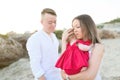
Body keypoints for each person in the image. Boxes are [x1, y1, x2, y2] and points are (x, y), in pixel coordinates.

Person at [61, 14, 104, 80]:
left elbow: (89, 76)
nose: (75, 30)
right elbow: (63, 68)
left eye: (77, 27)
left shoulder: (97, 47)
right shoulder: (73, 46)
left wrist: (67, 77)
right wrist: (64, 41)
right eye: (73, 28)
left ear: (87, 27)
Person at [26, 8, 62, 80]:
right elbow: (35, 63)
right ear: (42, 22)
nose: (53, 25)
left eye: (55, 22)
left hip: (57, 76)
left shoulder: (54, 37)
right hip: (45, 77)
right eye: (50, 22)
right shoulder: (35, 39)